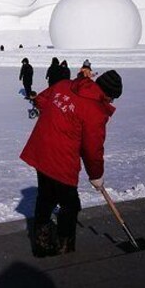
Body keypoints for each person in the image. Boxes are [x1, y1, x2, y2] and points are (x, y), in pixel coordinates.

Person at [20, 69, 123, 256]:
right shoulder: (95, 109)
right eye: (112, 99)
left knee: (46, 195)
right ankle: (63, 246)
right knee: (70, 204)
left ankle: (41, 244)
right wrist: (96, 175)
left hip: (41, 150)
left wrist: (62, 116)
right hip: (60, 158)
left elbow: (42, 101)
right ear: (107, 95)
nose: (110, 102)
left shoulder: (64, 85)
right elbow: (92, 148)